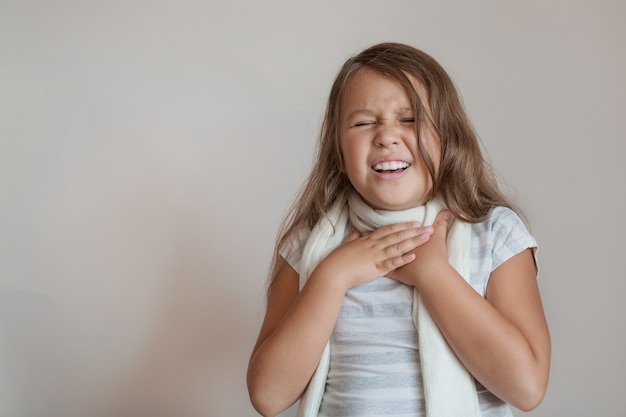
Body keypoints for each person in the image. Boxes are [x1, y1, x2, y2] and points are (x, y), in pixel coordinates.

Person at [247, 42, 550, 417]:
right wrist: (332, 277)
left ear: (448, 139)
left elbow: (526, 387)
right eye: (363, 122)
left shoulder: (496, 234)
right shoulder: (309, 245)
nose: (386, 136)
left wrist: (433, 274)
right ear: (338, 155)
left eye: (409, 119)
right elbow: (268, 395)